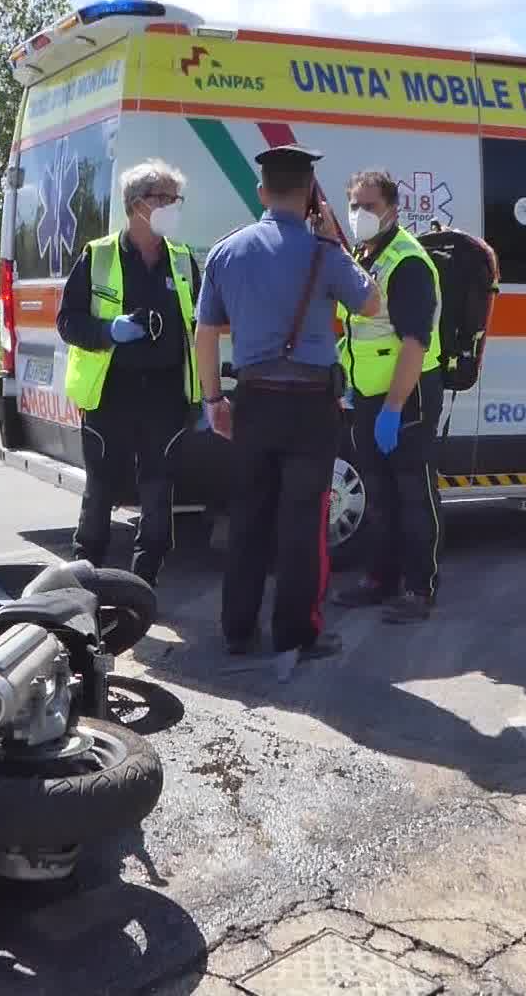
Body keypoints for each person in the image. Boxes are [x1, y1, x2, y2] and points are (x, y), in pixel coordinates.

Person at [194, 144, 382, 675]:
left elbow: (205, 334)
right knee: (303, 523)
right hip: (310, 408)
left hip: (252, 402)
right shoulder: (324, 253)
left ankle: (237, 630)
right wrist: (334, 245)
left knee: (249, 515)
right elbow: (371, 304)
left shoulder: (227, 253)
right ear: (309, 196)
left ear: (261, 192)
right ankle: (296, 632)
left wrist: (214, 400)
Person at [57, 160, 201, 585]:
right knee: (101, 488)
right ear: (139, 205)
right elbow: (68, 322)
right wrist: (108, 331)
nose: (175, 206)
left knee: (159, 490)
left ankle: (145, 580)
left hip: (165, 394)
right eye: (166, 198)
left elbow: (202, 324)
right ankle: (86, 580)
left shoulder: (183, 259)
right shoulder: (97, 255)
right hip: (111, 392)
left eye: (176, 198)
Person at [332, 170, 445, 623]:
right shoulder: (367, 254)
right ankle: (381, 579)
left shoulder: (408, 261)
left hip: (407, 395)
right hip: (368, 394)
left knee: (414, 494)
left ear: (393, 210)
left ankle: (420, 588)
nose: (359, 214)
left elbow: (415, 343)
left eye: (369, 206)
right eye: (354, 206)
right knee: (379, 494)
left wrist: (394, 409)